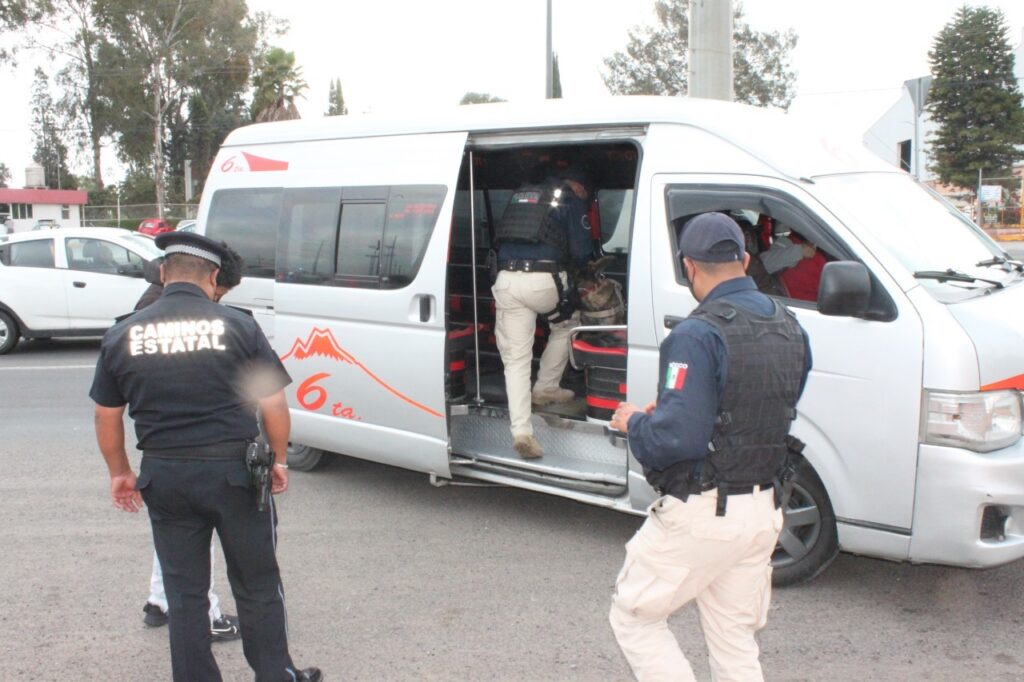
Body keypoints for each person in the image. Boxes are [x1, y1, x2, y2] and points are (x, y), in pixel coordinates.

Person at [90, 232, 321, 682]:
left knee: (184, 593)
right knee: (257, 582)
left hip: (165, 476)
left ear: (163, 273)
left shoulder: (123, 332)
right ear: (214, 277)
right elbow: (272, 403)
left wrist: (120, 472)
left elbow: (106, 414)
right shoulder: (238, 326)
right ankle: (276, 675)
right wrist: (278, 460)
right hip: (236, 475)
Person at [608, 212, 812, 682]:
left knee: (635, 617)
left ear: (689, 267)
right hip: (763, 511)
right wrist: (677, 410)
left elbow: (674, 440)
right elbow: (764, 404)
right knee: (733, 638)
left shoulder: (695, 334)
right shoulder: (790, 325)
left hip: (706, 511)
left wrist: (635, 421)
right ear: (745, 260)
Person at [136, 243, 245, 642]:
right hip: (190, 446)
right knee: (198, 536)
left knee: (175, 535)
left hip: (161, 446)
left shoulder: (154, 301)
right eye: (220, 292)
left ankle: (159, 600)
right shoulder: (173, 313)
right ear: (211, 279)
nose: (218, 300)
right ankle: (207, 614)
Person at [491, 165, 594, 459]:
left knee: (516, 360)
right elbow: (581, 252)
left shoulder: (521, 196)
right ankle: (546, 387)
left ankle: (522, 432)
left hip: (506, 280)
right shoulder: (570, 199)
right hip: (544, 282)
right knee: (567, 325)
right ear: (578, 185)